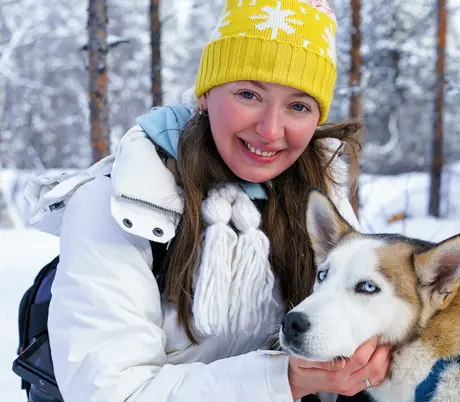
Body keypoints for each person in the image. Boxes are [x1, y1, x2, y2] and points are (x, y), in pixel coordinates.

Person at [24, 0, 390, 401]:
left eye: (298, 106)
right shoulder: (119, 202)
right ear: (206, 94)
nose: (270, 130)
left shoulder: (320, 193)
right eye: (249, 94)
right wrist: (284, 380)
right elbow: (114, 392)